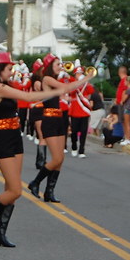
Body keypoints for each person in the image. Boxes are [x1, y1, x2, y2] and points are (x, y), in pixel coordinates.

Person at [0, 53, 89, 247]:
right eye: (8, 69)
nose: (12, 71)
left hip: (14, 136)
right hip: (2, 138)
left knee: (10, 188)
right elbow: (29, 96)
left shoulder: (6, 86)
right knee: (16, 190)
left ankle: (0, 233)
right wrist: (57, 91)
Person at [27, 55, 76, 203]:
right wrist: (84, 78)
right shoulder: (47, 79)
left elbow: (63, 91)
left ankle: (49, 192)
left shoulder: (56, 80)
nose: (60, 66)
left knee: (60, 159)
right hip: (49, 119)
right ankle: (35, 182)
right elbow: (65, 88)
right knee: (57, 158)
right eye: (57, 64)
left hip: (59, 119)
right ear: (49, 66)